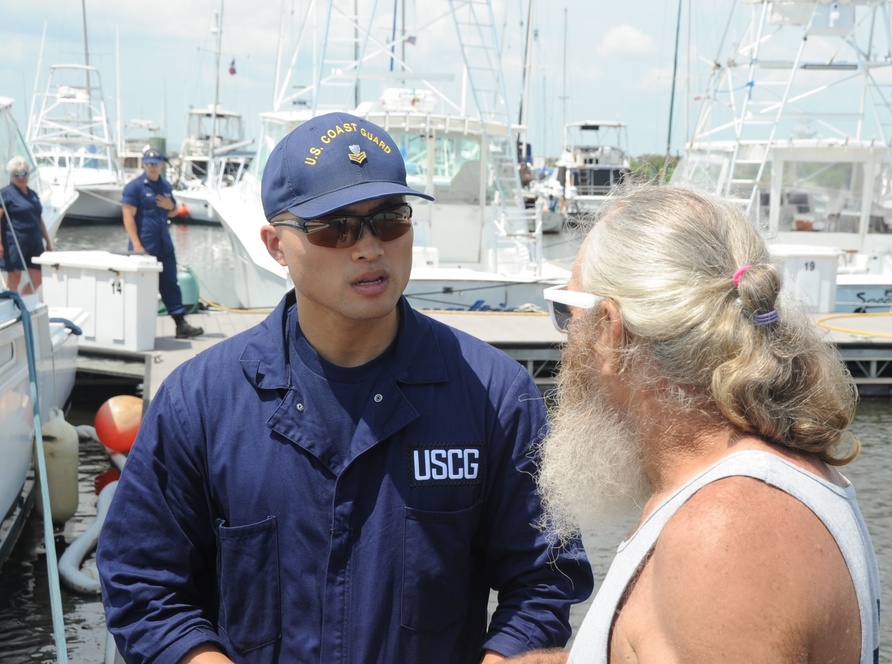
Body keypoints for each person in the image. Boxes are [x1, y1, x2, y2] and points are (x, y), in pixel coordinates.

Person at [97, 112, 593, 663]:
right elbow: (142, 584)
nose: (368, 247)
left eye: (389, 219)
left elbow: (545, 582)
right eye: (335, 227)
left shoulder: (496, 397)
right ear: (276, 245)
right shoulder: (200, 402)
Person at [534, 185, 881, 663]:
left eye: (566, 313)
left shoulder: (725, 535)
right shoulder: (748, 487)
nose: (566, 344)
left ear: (610, 333)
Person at [121, 148, 203, 339]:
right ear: (143, 164)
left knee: (170, 284)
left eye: (156, 164)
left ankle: (180, 324)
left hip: (164, 245)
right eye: (149, 164)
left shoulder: (165, 185)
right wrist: (137, 245)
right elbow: (128, 217)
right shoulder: (134, 187)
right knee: (141, 289)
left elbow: (173, 213)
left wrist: (171, 207)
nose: (152, 167)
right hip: (143, 246)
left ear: (161, 165)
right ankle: (135, 329)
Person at [0, 157, 53, 294]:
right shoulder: (5, 194)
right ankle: (13, 306)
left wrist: (48, 241)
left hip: (34, 242)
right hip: (14, 242)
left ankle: (23, 301)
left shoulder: (33, 194)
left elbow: (39, 218)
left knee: (38, 277)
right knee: (15, 278)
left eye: (24, 174)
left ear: (28, 174)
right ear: (11, 176)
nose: (21, 177)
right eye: (16, 175)